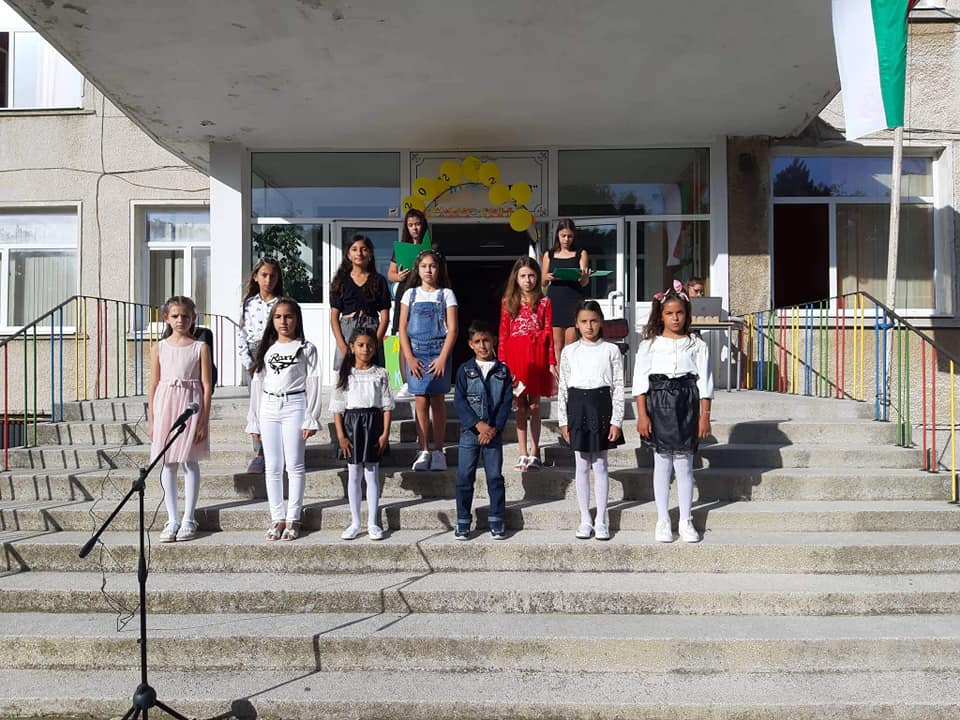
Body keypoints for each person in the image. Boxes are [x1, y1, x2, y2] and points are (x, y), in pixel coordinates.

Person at [633, 280, 713, 544]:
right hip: (659, 402)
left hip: (687, 403)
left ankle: (686, 520)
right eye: (669, 313)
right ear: (661, 316)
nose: (675, 318)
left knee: (685, 463)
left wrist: (704, 416)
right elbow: (640, 383)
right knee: (662, 462)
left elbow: (705, 383)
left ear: (687, 314)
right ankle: (663, 519)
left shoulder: (697, 344)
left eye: (679, 313)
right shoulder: (649, 344)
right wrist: (642, 415)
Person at [245, 298, 322, 542]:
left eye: (288, 316)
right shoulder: (266, 348)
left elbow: (314, 382)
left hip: (295, 405)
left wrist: (311, 417)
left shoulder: (306, 348)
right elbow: (257, 384)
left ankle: (293, 518)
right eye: (278, 317)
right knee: (273, 466)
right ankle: (277, 517)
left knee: (295, 465)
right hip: (268, 406)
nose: (283, 321)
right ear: (272, 320)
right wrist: (254, 420)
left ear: (297, 319)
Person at [147, 295, 213, 543]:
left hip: (190, 403)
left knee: (189, 461)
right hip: (166, 404)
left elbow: (207, 385)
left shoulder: (200, 347)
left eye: (185, 316)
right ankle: (172, 518)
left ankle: (189, 517)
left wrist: (203, 419)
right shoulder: (159, 347)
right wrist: (152, 419)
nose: (180, 320)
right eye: (175, 316)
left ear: (193, 318)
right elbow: (153, 384)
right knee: (168, 462)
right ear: (166, 318)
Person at [557, 300, 624, 541]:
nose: (589, 326)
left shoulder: (611, 350)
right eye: (584, 321)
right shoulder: (569, 351)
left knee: (601, 464)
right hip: (577, 406)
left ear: (601, 322)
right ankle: (585, 518)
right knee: (582, 464)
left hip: (601, 405)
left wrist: (617, 420)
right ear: (576, 324)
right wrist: (563, 421)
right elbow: (563, 387)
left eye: (594, 321)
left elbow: (618, 386)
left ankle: (601, 519)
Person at [330, 329, 394, 541]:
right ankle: (355, 522)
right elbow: (337, 409)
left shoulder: (381, 373)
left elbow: (387, 406)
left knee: (372, 473)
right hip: (352, 425)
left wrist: (385, 433)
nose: (365, 349)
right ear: (352, 347)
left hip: (373, 424)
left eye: (370, 345)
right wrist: (341, 436)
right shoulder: (344, 374)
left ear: (375, 348)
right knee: (354, 474)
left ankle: (373, 522)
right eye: (360, 345)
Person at [398, 249, 458, 472]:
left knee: (438, 401)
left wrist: (443, 358)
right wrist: (409, 358)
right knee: (421, 401)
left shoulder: (446, 294)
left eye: (432, 266)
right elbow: (402, 328)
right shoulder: (410, 294)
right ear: (418, 269)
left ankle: (439, 450)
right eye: (424, 266)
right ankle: (423, 449)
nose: (428, 270)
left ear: (439, 269)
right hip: (416, 354)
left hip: (438, 353)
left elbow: (453, 329)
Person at [453, 320, 513, 540]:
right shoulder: (464, 370)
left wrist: (493, 428)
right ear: (470, 344)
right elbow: (459, 401)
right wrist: (478, 425)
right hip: (470, 433)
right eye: (477, 341)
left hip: (493, 433)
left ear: (494, 341)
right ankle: (463, 521)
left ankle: (496, 519)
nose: (482, 345)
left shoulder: (502, 371)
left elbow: (506, 402)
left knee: (494, 476)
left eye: (486, 340)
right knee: (464, 476)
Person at [498, 256, 557, 471]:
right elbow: (503, 334)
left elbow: (549, 332)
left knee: (535, 405)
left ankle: (534, 451)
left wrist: (551, 361)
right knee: (520, 406)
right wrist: (502, 363)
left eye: (531, 275)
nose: (527, 280)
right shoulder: (508, 301)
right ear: (516, 278)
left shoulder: (544, 302)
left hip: (537, 357)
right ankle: (522, 452)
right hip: (516, 358)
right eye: (523, 275)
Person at [238, 257, 284, 473]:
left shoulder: (282, 303)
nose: (268, 280)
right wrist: (248, 362)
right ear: (256, 277)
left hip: (276, 353)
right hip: (255, 355)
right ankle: (260, 452)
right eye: (264, 275)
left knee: (276, 404)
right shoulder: (248, 304)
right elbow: (240, 333)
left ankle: (276, 451)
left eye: (272, 276)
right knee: (258, 405)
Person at [388, 209, 433, 400]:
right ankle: (406, 383)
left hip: (425, 296)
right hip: (405, 296)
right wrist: (399, 276)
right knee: (403, 336)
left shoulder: (432, 248)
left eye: (418, 224)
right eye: (411, 225)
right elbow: (390, 274)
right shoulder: (401, 248)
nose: (415, 228)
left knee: (425, 337)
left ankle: (427, 380)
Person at [330, 234, 391, 369]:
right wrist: (342, 345)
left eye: (364, 249)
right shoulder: (340, 281)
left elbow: (385, 318)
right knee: (347, 375)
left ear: (370, 254)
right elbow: (334, 318)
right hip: (347, 330)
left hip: (371, 330)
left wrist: (375, 343)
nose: (359, 253)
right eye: (354, 249)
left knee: (372, 372)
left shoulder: (379, 281)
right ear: (348, 254)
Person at [542, 219, 591, 366]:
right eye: (563, 235)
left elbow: (584, 282)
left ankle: (569, 376)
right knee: (556, 345)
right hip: (555, 300)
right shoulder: (549, 254)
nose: (566, 239)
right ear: (557, 235)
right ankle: (557, 378)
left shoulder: (580, 253)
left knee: (571, 344)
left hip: (574, 299)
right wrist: (548, 277)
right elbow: (543, 282)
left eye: (569, 236)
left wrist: (585, 277)